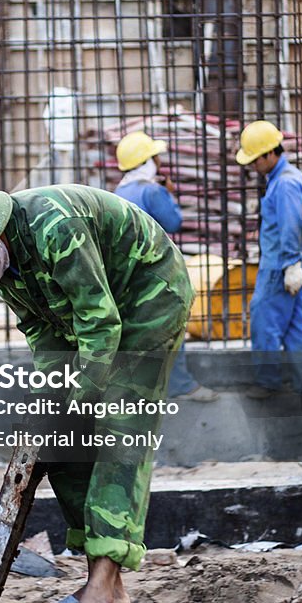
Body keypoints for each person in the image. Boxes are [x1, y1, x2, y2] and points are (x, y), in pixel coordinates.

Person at [0, 183, 194, 603]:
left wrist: (81, 398)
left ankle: (100, 600)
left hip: (147, 299)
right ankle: (108, 587)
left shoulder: (55, 226)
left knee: (120, 431)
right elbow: (44, 329)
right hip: (99, 320)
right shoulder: (6, 267)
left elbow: (101, 323)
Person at [114, 131, 218, 403]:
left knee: (137, 331)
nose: (159, 161)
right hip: (156, 273)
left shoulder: (119, 191)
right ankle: (180, 385)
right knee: (172, 326)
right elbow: (172, 222)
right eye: (155, 156)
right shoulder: (152, 190)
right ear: (147, 161)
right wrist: (168, 193)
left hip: (127, 275)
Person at [236, 120, 302, 404]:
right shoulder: (287, 178)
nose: (252, 166)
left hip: (280, 268)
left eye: (254, 159)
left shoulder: (284, 184)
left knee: (264, 320)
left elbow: (290, 226)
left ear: (270, 153)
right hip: (293, 266)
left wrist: (291, 264)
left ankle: (268, 382)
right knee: (297, 326)